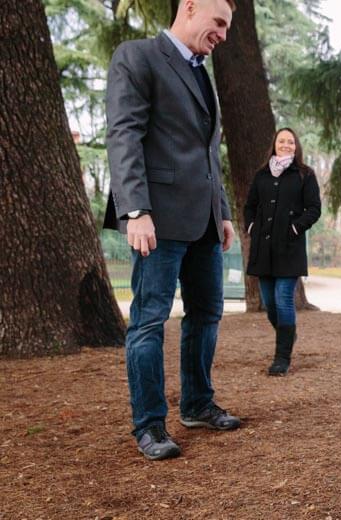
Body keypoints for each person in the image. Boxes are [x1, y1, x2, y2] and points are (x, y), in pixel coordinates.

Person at [104, 0, 241, 461]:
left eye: (227, 27)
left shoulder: (203, 73)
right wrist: (135, 210)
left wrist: (221, 211)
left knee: (207, 314)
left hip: (203, 221)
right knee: (149, 322)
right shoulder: (138, 56)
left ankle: (198, 404)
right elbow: (124, 135)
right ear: (189, 7)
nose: (222, 34)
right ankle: (148, 424)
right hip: (156, 221)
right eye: (218, 22)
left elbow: (207, 152)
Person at [243, 128, 321, 376]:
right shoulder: (262, 175)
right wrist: (252, 226)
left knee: (283, 298)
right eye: (281, 141)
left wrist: (296, 228)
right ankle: (288, 333)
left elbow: (313, 209)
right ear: (274, 144)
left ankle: (281, 359)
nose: (286, 145)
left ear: (296, 146)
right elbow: (250, 206)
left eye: (290, 141)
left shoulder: (304, 175)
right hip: (263, 248)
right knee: (269, 301)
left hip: (289, 247)